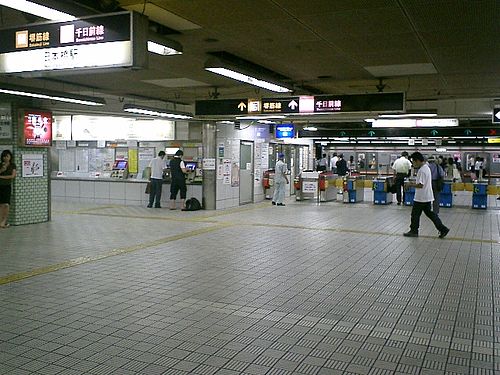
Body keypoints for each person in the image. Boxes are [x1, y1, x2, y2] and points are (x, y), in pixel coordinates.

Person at [403, 152, 449, 238]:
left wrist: (410, 184)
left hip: (421, 198)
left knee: (415, 214)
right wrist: (413, 183)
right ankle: (443, 229)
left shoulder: (422, 170)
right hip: (426, 196)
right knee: (430, 214)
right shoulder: (426, 168)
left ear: (417, 161)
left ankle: (414, 231)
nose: (413, 164)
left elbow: (421, 185)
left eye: (413, 162)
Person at [0, 150, 16, 228]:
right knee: (0, 205)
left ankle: (4, 221)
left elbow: (12, 176)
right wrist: (2, 169)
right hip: (0, 186)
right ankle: (0, 222)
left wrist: (2, 176)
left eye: (7, 156)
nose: (5, 158)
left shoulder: (12, 165)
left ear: (10, 157)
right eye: (4, 156)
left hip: (7, 186)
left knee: (6, 204)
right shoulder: (0, 165)